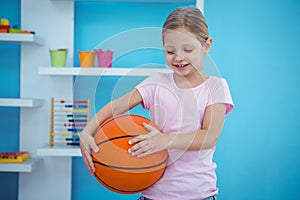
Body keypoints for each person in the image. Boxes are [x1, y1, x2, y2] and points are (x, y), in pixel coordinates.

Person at [80, 6, 234, 200]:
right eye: (170, 51)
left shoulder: (215, 86)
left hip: (199, 194)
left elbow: (209, 136)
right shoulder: (157, 83)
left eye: (187, 49)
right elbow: (117, 106)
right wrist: (87, 131)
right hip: (153, 194)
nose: (178, 57)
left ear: (206, 45)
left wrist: (164, 140)